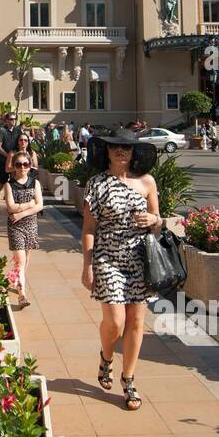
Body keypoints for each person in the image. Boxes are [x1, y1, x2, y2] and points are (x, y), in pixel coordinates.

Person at [81, 137, 160, 412]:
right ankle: (106, 357)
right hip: (107, 257)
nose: (120, 151)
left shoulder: (147, 181)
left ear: (134, 151)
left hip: (139, 259)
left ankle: (128, 380)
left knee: (136, 322)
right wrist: (87, 264)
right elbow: (89, 228)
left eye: (126, 147)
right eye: (115, 147)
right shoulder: (96, 183)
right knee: (115, 322)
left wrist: (154, 220)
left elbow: (157, 222)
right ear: (107, 151)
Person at [2, 152, 43, 308]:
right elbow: (10, 207)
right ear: (14, 166)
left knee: (25, 261)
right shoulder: (8, 185)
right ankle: (22, 295)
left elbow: (40, 205)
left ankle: (11, 280)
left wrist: (21, 213)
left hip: (30, 225)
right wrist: (30, 203)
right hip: (15, 227)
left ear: (30, 165)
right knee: (20, 262)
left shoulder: (35, 183)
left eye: (25, 164)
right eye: (18, 164)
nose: (22, 168)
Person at [0, 112, 22, 206]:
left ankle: (12, 199)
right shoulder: (2, 130)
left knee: (14, 179)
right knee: (2, 180)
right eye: (11, 119)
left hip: (15, 160)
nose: (13, 121)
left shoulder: (18, 130)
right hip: (3, 160)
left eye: (15, 119)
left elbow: (22, 140)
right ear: (7, 120)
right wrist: (8, 155)